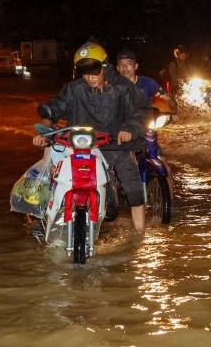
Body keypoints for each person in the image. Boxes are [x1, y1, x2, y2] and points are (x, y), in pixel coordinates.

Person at [31, 41, 149, 232]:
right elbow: (55, 109)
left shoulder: (123, 87)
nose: (89, 77)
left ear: (104, 66)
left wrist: (129, 129)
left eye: (94, 70)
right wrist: (42, 132)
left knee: (134, 190)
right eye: (84, 71)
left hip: (116, 145)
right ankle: (44, 216)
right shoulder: (74, 89)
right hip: (84, 146)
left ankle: (140, 239)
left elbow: (142, 110)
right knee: (57, 171)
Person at [165, 44, 190, 113]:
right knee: (174, 101)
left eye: (184, 54)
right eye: (182, 54)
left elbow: (188, 74)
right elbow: (173, 77)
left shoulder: (186, 64)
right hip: (174, 87)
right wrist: (179, 85)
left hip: (184, 86)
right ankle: (173, 114)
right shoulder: (173, 64)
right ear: (178, 55)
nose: (183, 56)